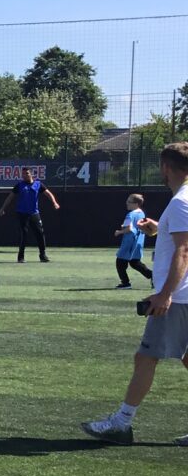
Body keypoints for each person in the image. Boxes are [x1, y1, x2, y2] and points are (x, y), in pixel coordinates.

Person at [82, 142, 188, 445]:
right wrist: (157, 229)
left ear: (167, 167)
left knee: (145, 358)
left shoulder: (181, 201)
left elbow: (184, 250)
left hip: (179, 297)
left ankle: (122, 422)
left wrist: (165, 294)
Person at [0, 167, 60, 263]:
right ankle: (21, 257)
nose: (24, 175)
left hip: (34, 213)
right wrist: (2, 208)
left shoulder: (38, 184)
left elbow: (48, 194)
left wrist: (54, 203)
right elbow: (10, 197)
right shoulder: (19, 185)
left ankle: (43, 255)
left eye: (26, 173)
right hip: (22, 214)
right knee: (24, 234)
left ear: (31, 174)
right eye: (23, 174)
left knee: (40, 233)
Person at [113, 193, 153, 289]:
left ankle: (125, 283)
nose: (126, 203)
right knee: (135, 262)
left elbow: (129, 229)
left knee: (120, 262)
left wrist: (119, 232)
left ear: (136, 204)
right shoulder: (141, 213)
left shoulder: (130, 214)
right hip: (138, 242)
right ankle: (154, 276)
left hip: (129, 243)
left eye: (129, 202)